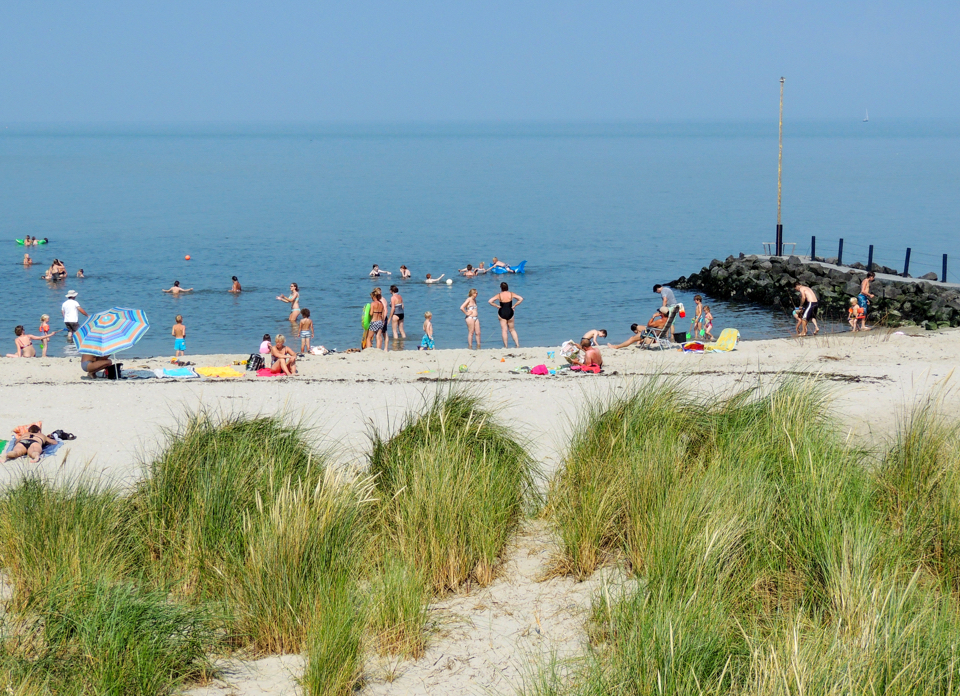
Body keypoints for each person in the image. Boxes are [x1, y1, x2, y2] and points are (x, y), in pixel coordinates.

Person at [488, 281, 523, 348]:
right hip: (510, 311)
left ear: (501, 288)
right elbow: (520, 299)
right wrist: (514, 305)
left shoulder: (499, 295)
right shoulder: (511, 294)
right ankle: (517, 344)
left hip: (502, 312)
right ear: (507, 287)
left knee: (504, 330)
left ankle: (506, 346)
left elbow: (490, 301)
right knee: (512, 329)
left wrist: (497, 306)